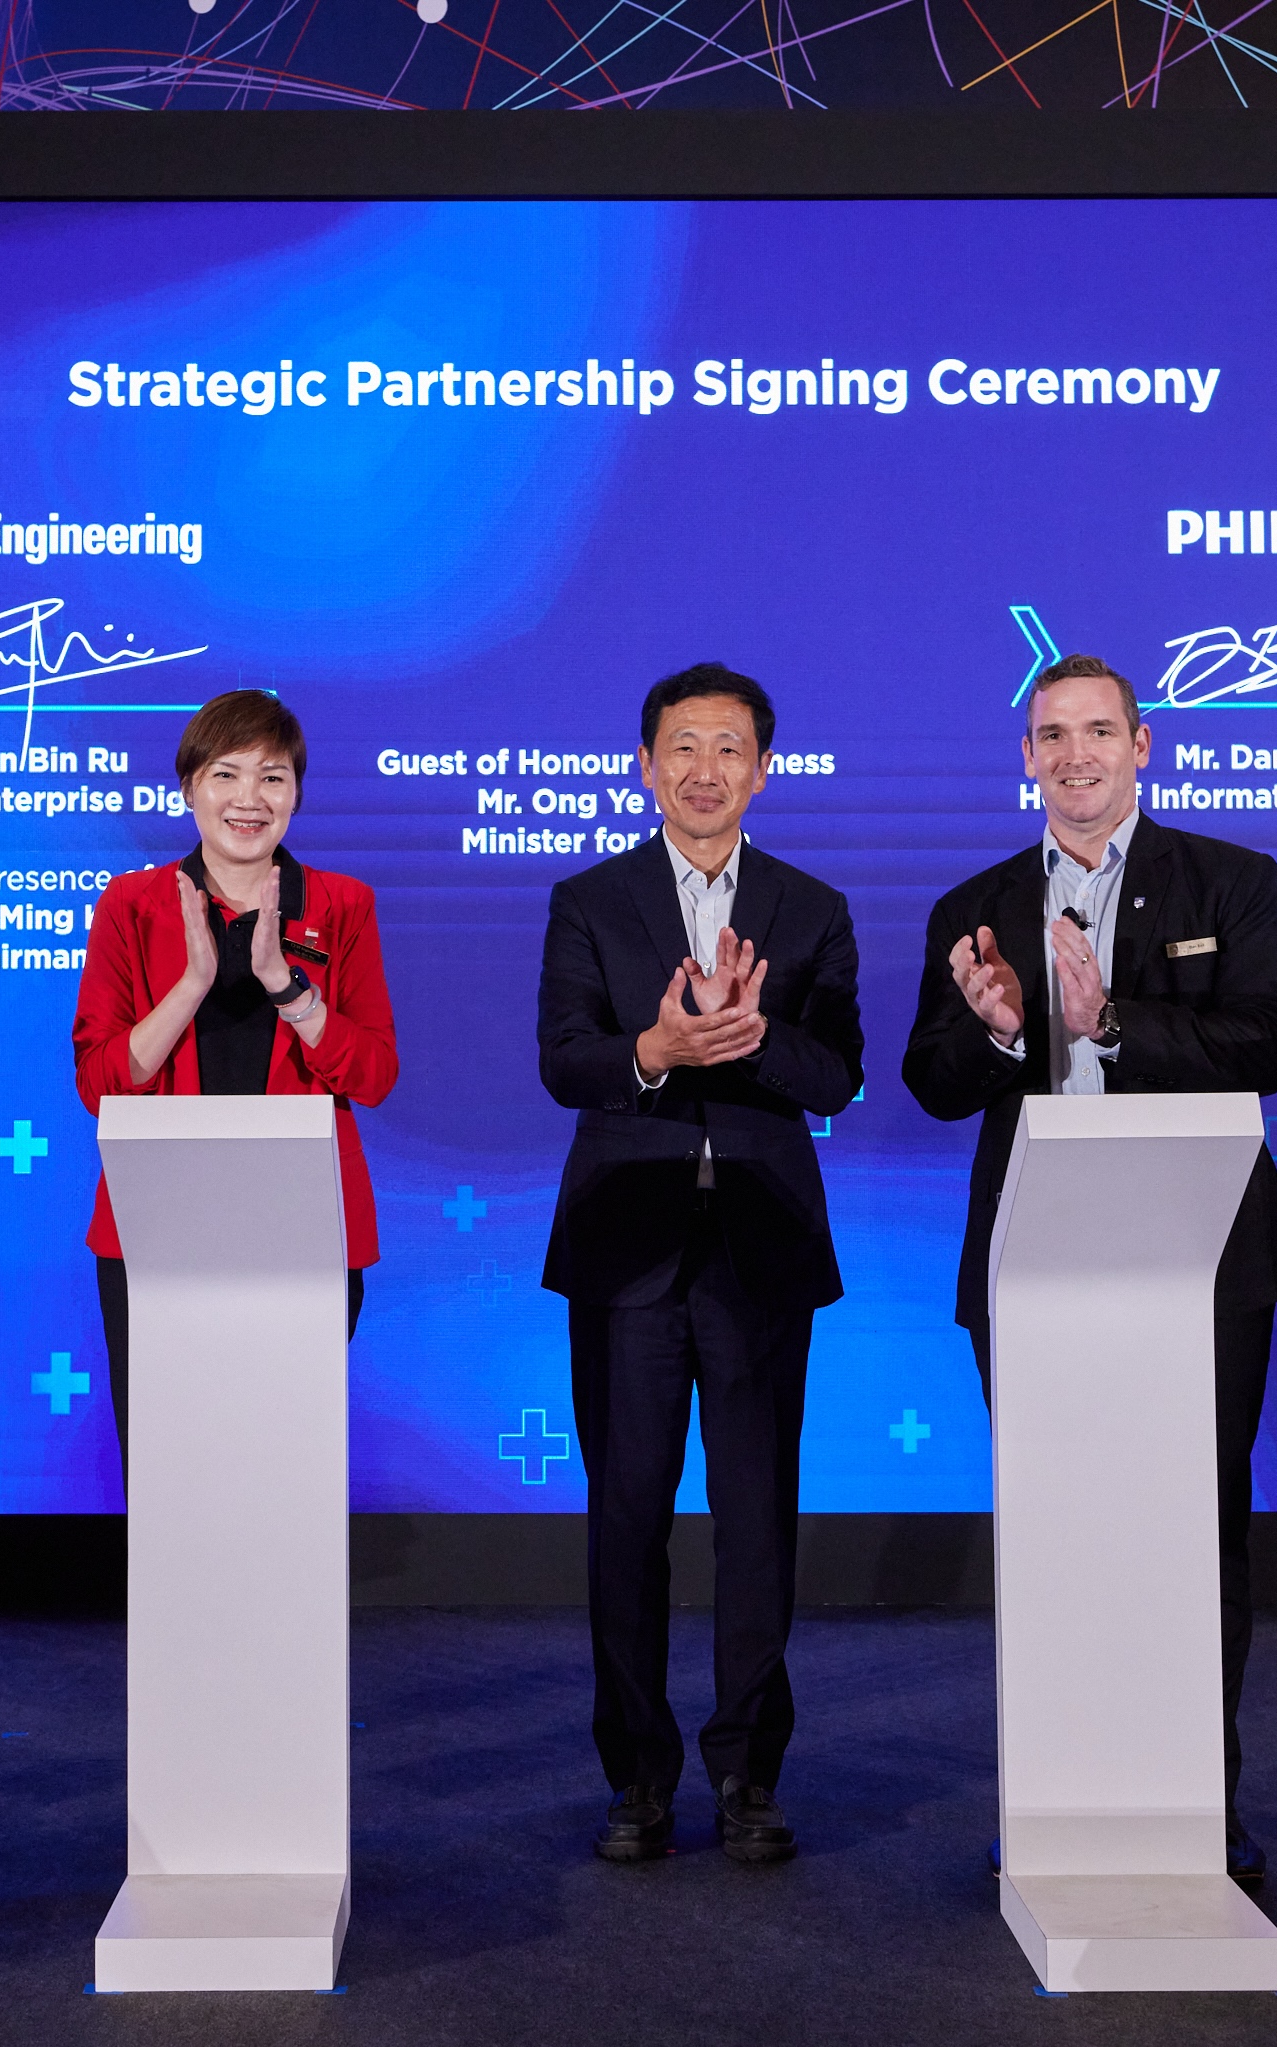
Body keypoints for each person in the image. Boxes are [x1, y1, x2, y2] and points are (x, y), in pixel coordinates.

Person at [900, 652, 1277, 1890]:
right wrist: (1002, 1030)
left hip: (1203, 1260)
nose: (1074, 755)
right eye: (1049, 735)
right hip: (1035, 1263)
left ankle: (1200, 1795)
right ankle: (1066, 1795)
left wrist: (1112, 1023)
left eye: (1096, 731)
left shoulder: (1233, 880)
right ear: (1025, 758)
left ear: (1144, 744)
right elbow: (928, 1084)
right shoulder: (973, 905)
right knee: (1057, 1526)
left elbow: (1271, 1043)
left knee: (1197, 1526)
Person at [538, 662, 862, 1866]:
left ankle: (747, 1772)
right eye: (682, 746)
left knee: (755, 1522)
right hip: (626, 1249)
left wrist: (759, 1037)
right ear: (645, 764)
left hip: (760, 1253)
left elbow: (839, 1074)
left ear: (762, 771)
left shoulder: (810, 907)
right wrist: (659, 1048)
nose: (704, 769)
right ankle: (635, 1775)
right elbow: (566, 1062)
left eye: (729, 748)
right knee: (625, 1521)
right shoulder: (591, 901)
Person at [71, 691, 398, 1468]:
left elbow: (375, 1072)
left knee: (282, 1462)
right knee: (169, 1462)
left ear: (297, 795)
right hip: (155, 1224)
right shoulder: (131, 903)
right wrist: (190, 983)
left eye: (273, 777)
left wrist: (287, 987)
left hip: (305, 1225)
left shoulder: (341, 904)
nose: (249, 798)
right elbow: (101, 1082)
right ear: (188, 786)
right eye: (226, 774)